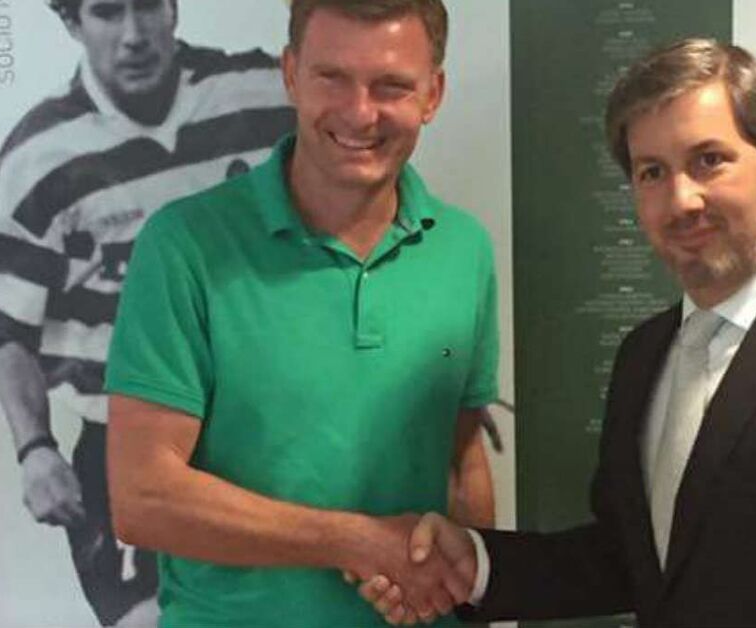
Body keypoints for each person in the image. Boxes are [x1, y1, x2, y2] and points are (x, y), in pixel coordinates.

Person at [360, 39, 756, 627]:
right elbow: (630, 561)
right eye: (652, 172)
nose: (681, 200)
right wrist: (476, 565)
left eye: (709, 160)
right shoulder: (645, 355)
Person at [101, 0, 497, 626]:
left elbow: (460, 459)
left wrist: (466, 593)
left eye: (390, 86)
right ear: (290, 74)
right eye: (332, 78)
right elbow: (144, 498)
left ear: (433, 95)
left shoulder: (464, 249)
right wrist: (356, 541)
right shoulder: (184, 246)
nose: (359, 112)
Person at [0, 0, 292, 624]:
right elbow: (4, 331)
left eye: (147, 6)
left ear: (173, 10)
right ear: (72, 23)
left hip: (271, 432)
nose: (134, 35)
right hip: (130, 447)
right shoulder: (40, 156)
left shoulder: (262, 93)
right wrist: (35, 450)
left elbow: (357, 192)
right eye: (108, 12)